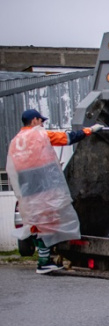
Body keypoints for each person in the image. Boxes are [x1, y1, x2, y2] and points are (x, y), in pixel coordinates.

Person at [7, 109, 103, 274]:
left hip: (27, 191)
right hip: (43, 189)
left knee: (37, 225)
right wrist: (90, 130)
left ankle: (45, 259)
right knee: (48, 224)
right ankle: (44, 262)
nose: (42, 124)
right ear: (34, 120)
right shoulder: (39, 135)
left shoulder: (15, 141)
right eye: (41, 120)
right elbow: (68, 138)